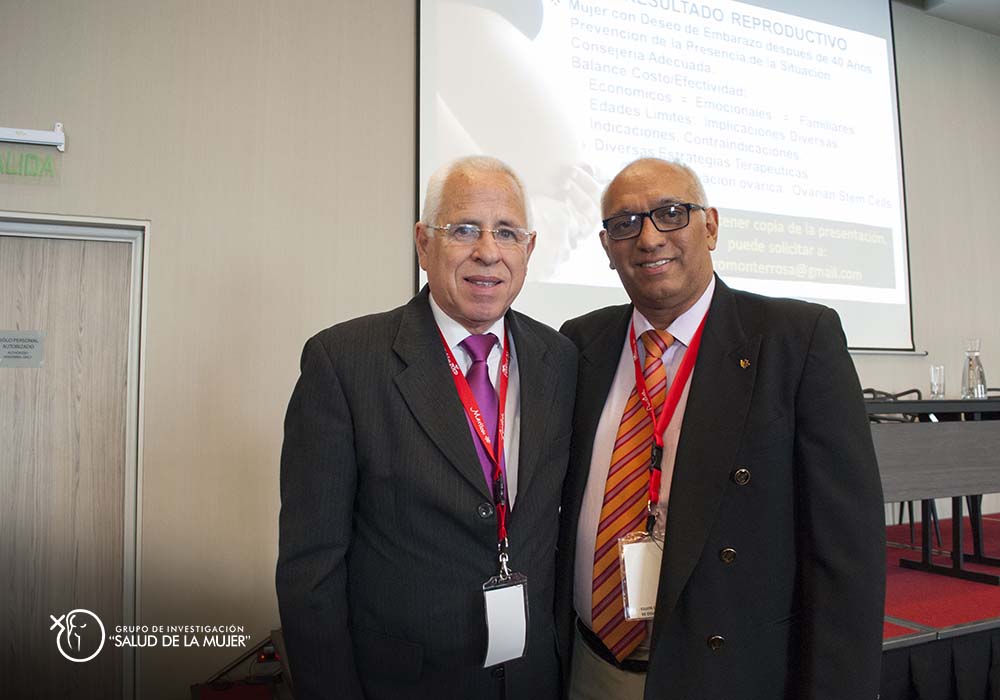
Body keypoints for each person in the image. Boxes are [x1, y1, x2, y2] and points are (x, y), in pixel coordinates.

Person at [556, 158, 885, 700]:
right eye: (625, 223)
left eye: (670, 213)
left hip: (725, 672)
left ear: (709, 226)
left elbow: (847, 553)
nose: (648, 238)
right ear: (607, 246)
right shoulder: (579, 342)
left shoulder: (796, 339)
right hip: (589, 668)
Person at [276, 155, 577, 700]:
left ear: (529, 249)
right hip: (404, 682)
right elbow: (310, 569)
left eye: (507, 232)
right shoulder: (344, 362)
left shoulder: (559, 359)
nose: (488, 251)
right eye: (464, 229)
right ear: (423, 243)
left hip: (531, 679)